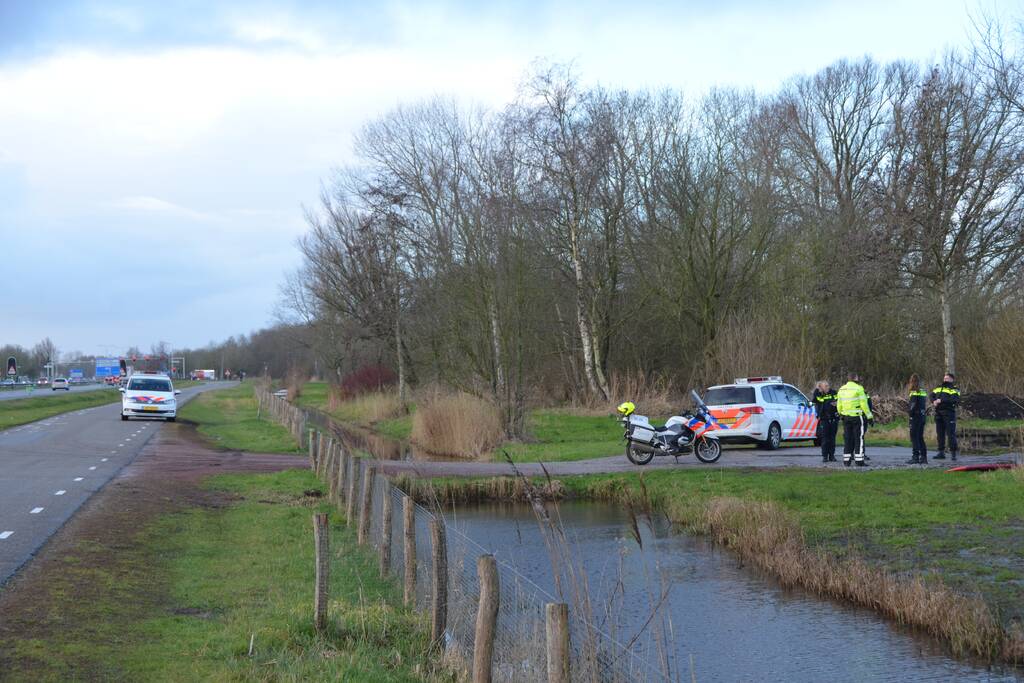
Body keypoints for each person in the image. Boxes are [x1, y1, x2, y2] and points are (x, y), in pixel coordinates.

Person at [837, 372, 873, 467]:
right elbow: (864, 404)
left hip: (846, 417)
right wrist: (869, 416)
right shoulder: (859, 388)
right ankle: (859, 460)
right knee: (859, 438)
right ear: (855, 378)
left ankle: (846, 460)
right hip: (857, 417)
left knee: (848, 438)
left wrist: (841, 413)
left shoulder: (841, 389)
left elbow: (839, 404)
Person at [931, 372, 960, 461]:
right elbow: (931, 395)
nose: (945, 380)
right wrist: (934, 401)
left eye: (947, 378)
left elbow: (954, 400)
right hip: (939, 413)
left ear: (952, 379)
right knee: (940, 434)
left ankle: (953, 453)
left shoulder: (955, 389)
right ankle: (941, 452)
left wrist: (941, 400)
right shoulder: (938, 388)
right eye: (944, 378)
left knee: (950, 434)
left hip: (949, 414)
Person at [812, 380, 838, 463]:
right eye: (825, 386)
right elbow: (817, 399)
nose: (828, 387)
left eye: (828, 385)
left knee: (832, 438)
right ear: (821, 387)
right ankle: (825, 456)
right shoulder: (819, 394)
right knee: (825, 439)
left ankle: (832, 456)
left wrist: (832, 403)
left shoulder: (834, 392)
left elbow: (838, 402)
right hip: (824, 419)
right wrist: (817, 389)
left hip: (834, 418)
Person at [906, 374, 929, 465]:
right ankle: (924, 457)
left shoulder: (914, 392)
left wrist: (909, 413)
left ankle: (915, 457)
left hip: (915, 417)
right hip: (922, 416)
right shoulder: (923, 391)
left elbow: (913, 406)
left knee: (914, 437)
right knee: (920, 437)